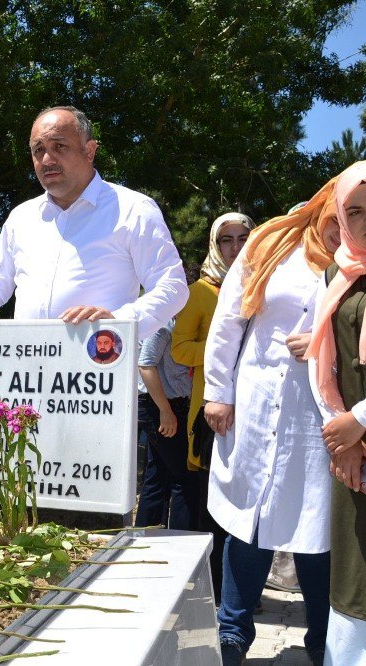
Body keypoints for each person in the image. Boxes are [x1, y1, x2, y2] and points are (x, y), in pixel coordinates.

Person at [203, 177, 341, 666]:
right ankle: (232, 636)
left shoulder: (357, 256)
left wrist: (325, 343)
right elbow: (228, 319)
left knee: (319, 526)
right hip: (257, 403)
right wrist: (217, 393)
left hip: (323, 415)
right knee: (250, 519)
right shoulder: (270, 241)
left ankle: (323, 644)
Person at [0, 106, 187, 341]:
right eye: (38, 149)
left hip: (98, 370)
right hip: (24, 373)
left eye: (59, 146)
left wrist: (118, 323)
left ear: (89, 151)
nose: (47, 159)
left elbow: (173, 287)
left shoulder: (133, 209)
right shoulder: (22, 217)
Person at [170, 212, 254, 600]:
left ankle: (236, 593)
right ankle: (203, 593)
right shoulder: (201, 292)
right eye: (226, 240)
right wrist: (228, 347)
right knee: (209, 507)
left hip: (255, 413)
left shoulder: (263, 285)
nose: (235, 247)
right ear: (214, 245)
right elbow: (180, 349)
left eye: (243, 238)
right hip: (212, 412)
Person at [305, 161, 366, 664]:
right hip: (352, 447)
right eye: (355, 211)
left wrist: (360, 422)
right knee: (354, 571)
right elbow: (323, 358)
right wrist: (343, 432)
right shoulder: (336, 271)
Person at [134, 319, 198, 531]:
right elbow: (145, 364)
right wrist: (165, 410)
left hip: (167, 404)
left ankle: (147, 533)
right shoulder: (163, 324)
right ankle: (181, 539)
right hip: (160, 404)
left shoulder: (175, 322)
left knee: (158, 474)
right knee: (185, 477)